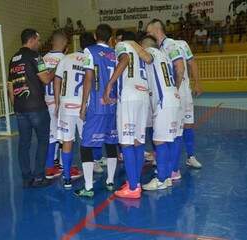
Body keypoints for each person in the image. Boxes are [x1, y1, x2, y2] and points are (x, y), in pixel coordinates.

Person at [104, 31, 152, 199]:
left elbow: (124, 60)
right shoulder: (140, 49)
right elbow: (149, 60)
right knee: (138, 141)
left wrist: (110, 84)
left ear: (120, 39)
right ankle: (135, 182)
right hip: (143, 94)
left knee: (126, 142)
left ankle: (132, 188)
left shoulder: (121, 45)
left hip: (129, 96)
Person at [74, 24, 118, 198]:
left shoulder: (89, 51)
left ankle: (88, 187)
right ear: (110, 37)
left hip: (97, 105)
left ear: (94, 35)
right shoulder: (115, 53)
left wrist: (83, 104)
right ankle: (110, 181)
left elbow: (88, 78)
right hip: (113, 105)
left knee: (86, 145)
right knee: (111, 142)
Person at [7, 29, 52, 188]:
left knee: (23, 144)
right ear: (32, 39)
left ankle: (26, 178)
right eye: (38, 41)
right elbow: (46, 79)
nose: (39, 44)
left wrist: (15, 106)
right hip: (36, 107)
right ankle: (39, 177)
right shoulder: (35, 56)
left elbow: (10, 87)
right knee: (42, 141)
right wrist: (53, 71)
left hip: (20, 108)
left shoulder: (13, 59)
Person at [54, 32, 96, 188]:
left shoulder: (66, 58)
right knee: (86, 142)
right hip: (83, 105)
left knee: (67, 140)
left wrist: (57, 102)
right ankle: (89, 179)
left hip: (66, 104)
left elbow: (57, 80)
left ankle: (66, 178)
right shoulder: (90, 59)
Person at [139, 35, 181, 191]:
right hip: (173, 98)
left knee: (159, 141)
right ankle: (168, 176)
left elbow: (145, 57)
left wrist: (131, 44)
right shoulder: (164, 56)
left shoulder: (150, 52)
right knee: (168, 139)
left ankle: (162, 179)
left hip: (164, 101)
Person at [146, 19, 185, 181]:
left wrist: (175, 88)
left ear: (156, 30)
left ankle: (168, 174)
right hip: (170, 96)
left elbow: (180, 67)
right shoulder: (161, 51)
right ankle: (171, 170)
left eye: (149, 32)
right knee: (172, 135)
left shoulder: (169, 45)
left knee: (166, 137)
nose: (147, 34)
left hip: (170, 96)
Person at [43, 30, 68, 179]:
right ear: (65, 44)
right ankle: (56, 167)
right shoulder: (66, 59)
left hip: (44, 101)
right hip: (60, 103)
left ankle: (52, 163)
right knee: (64, 135)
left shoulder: (42, 58)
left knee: (51, 134)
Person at [175, 39, 203, 169]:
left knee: (188, 124)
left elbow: (192, 63)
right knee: (170, 128)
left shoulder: (181, 44)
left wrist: (197, 83)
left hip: (184, 90)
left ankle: (190, 156)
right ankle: (161, 158)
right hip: (169, 92)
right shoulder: (155, 48)